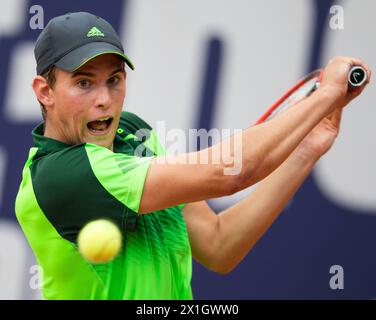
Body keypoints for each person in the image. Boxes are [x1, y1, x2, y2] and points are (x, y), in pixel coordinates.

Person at [15, 11, 371, 300]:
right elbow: (231, 172)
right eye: (84, 83)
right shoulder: (58, 176)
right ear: (45, 91)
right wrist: (326, 96)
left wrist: (308, 147)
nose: (105, 98)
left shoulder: (132, 132)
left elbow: (219, 244)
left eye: (115, 79)